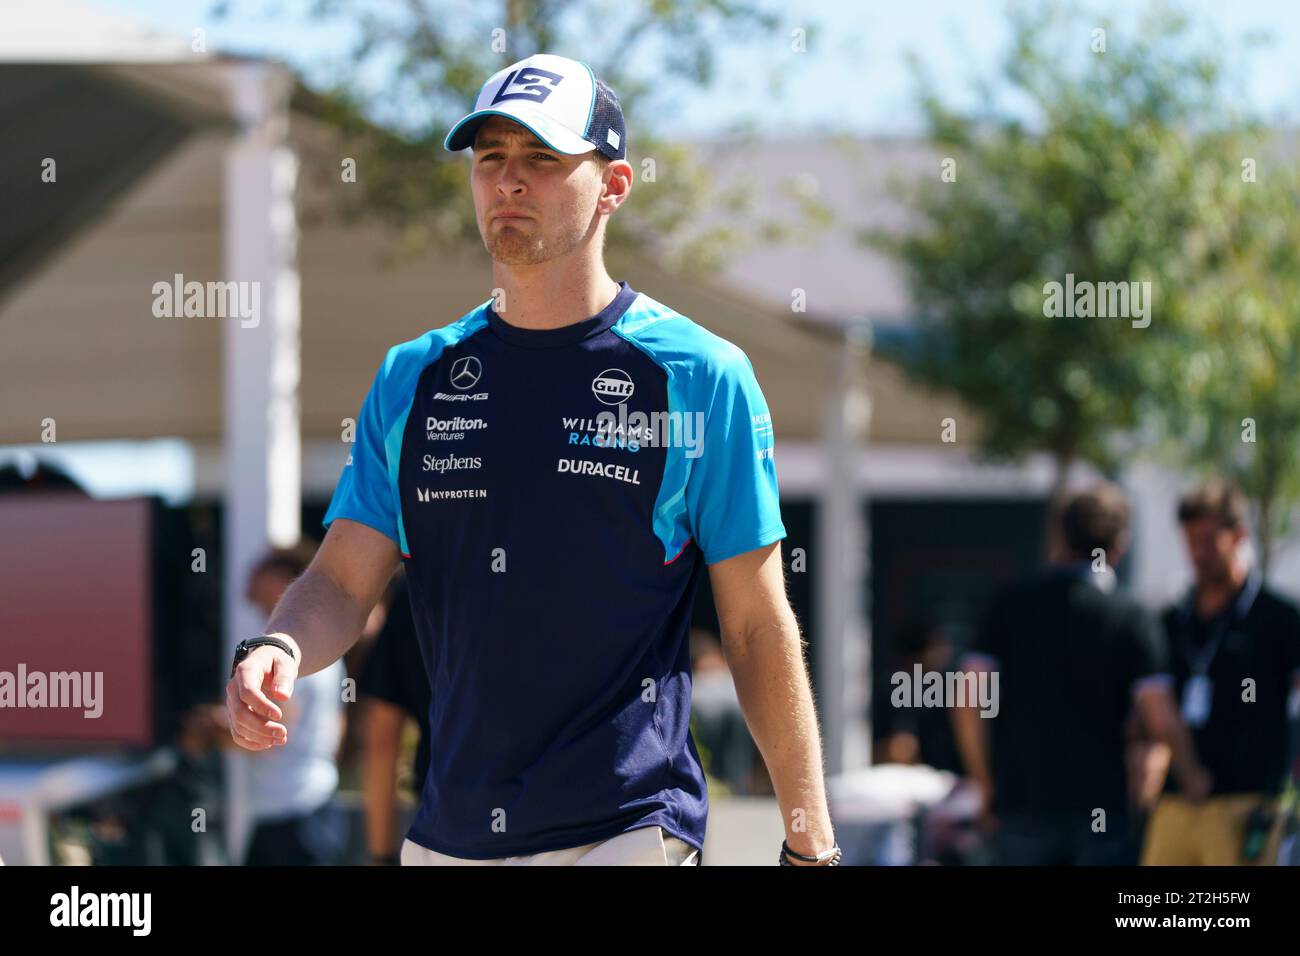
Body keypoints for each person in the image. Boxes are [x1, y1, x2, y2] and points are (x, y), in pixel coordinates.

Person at [226, 53, 838, 866]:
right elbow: (341, 581)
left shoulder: (699, 376)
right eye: (490, 159)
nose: (509, 180)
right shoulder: (415, 376)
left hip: (627, 828)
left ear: (614, 185)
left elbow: (758, 628)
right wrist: (278, 646)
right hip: (449, 837)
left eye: (543, 158)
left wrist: (811, 843)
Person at [952, 482, 1210, 865]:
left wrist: (984, 782)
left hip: (1022, 806)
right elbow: (1161, 717)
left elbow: (968, 699)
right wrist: (1193, 779)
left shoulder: (1009, 606)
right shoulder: (1131, 617)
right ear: (1120, 545)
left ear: (1058, 535)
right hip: (1102, 812)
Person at [1141, 479, 1300, 865]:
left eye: (1210, 539)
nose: (1198, 552)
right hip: (1176, 801)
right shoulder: (1173, 620)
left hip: (1246, 804)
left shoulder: (1278, 617)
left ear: (1238, 535)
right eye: (1191, 541)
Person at [239, 544, 349, 866]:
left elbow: (267, 733)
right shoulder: (324, 648)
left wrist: (210, 731)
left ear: (285, 581)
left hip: (291, 817)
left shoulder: (285, 655)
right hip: (311, 808)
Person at [358, 571, 432, 865]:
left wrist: (382, 855)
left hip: (452, 824)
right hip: (571, 822)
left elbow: (382, 739)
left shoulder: (419, 589)